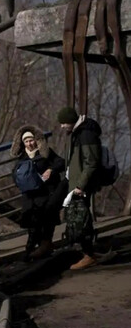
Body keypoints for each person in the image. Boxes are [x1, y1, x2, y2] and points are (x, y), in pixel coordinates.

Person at [57, 106, 103, 270]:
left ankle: (89, 255)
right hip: (75, 183)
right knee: (81, 218)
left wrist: (80, 185)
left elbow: (91, 162)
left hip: (81, 185)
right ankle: (89, 252)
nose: (62, 127)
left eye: (63, 123)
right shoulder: (77, 134)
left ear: (70, 121)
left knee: (82, 220)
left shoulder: (86, 134)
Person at [11, 125, 67, 260]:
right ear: (22, 143)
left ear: (36, 140)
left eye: (31, 140)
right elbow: (15, 174)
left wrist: (50, 170)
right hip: (30, 196)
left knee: (46, 220)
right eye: (26, 141)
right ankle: (30, 248)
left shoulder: (45, 153)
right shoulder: (22, 157)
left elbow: (61, 162)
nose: (29, 144)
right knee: (32, 222)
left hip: (45, 193)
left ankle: (44, 246)